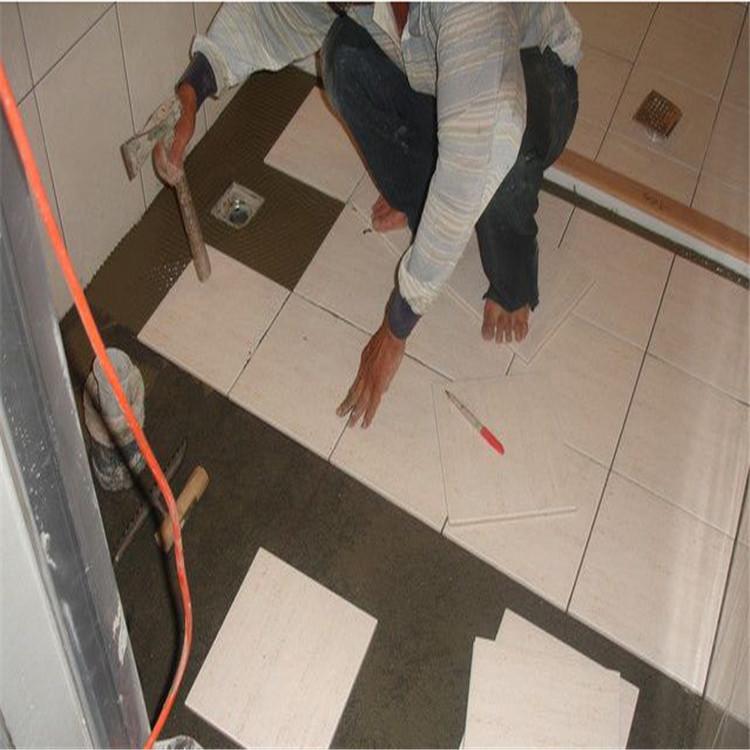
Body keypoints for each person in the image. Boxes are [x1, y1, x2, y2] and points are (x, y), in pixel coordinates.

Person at [159, 3, 581, 428]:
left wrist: (397, 325)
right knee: (341, 56)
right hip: (437, 68)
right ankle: (422, 200)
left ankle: (513, 280)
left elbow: (478, 148)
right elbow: (269, 12)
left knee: (499, 160)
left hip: (533, 65)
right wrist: (193, 90)